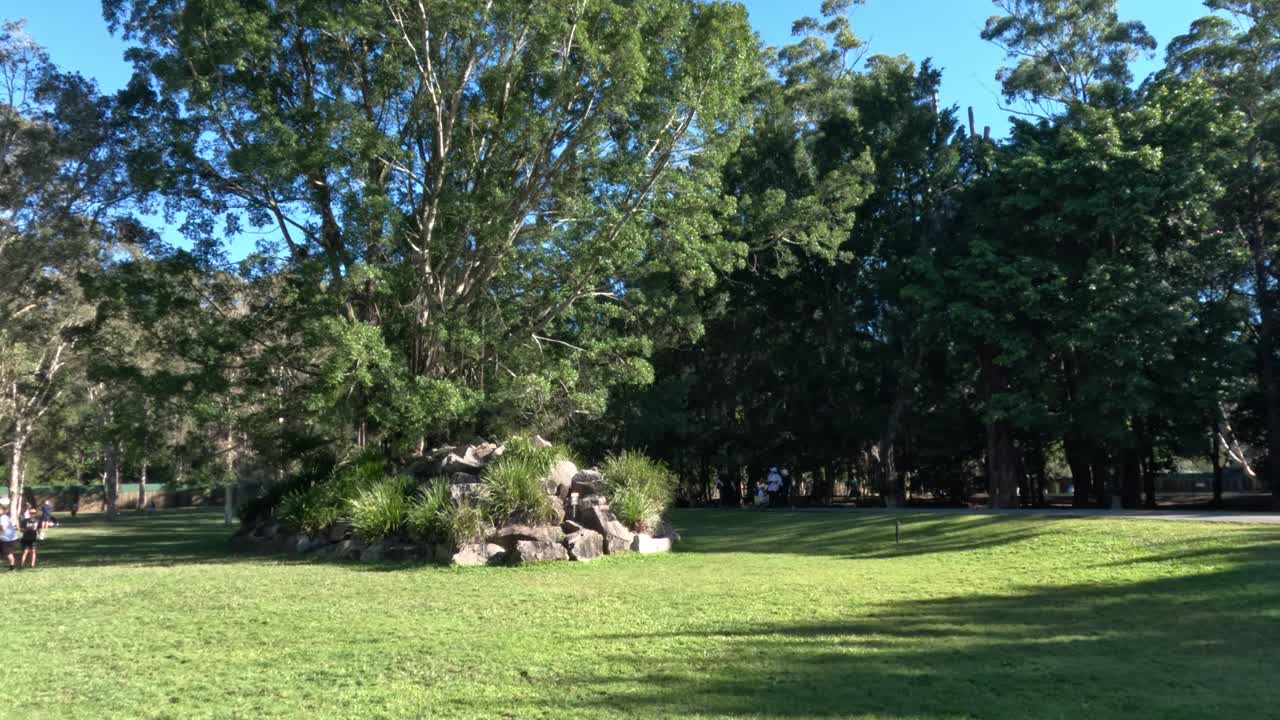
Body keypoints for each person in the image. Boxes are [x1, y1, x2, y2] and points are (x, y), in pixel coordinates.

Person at [0, 497, 16, 572]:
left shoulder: (3, 517)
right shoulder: (3, 516)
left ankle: (12, 568)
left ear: (2, 510)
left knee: (8, 553)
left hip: (7, 539)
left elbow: (3, 528)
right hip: (5, 538)